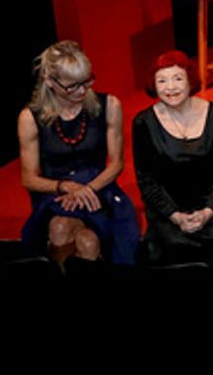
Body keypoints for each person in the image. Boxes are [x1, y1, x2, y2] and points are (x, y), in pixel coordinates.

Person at [17, 41, 136, 264]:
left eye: (86, 81)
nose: (82, 91)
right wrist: (64, 187)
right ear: (49, 81)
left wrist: (87, 189)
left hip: (98, 188)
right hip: (56, 194)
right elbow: (29, 178)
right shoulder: (29, 118)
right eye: (72, 86)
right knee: (60, 227)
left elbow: (117, 164)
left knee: (87, 242)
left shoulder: (109, 105)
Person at [132, 51, 213, 264]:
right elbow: (146, 178)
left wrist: (208, 211)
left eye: (178, 78)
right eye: (162, 80)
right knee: (173, 251)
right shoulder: (143, 122)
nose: (170, 87)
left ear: (190, 81)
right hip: (168, 211)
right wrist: (175, 215)